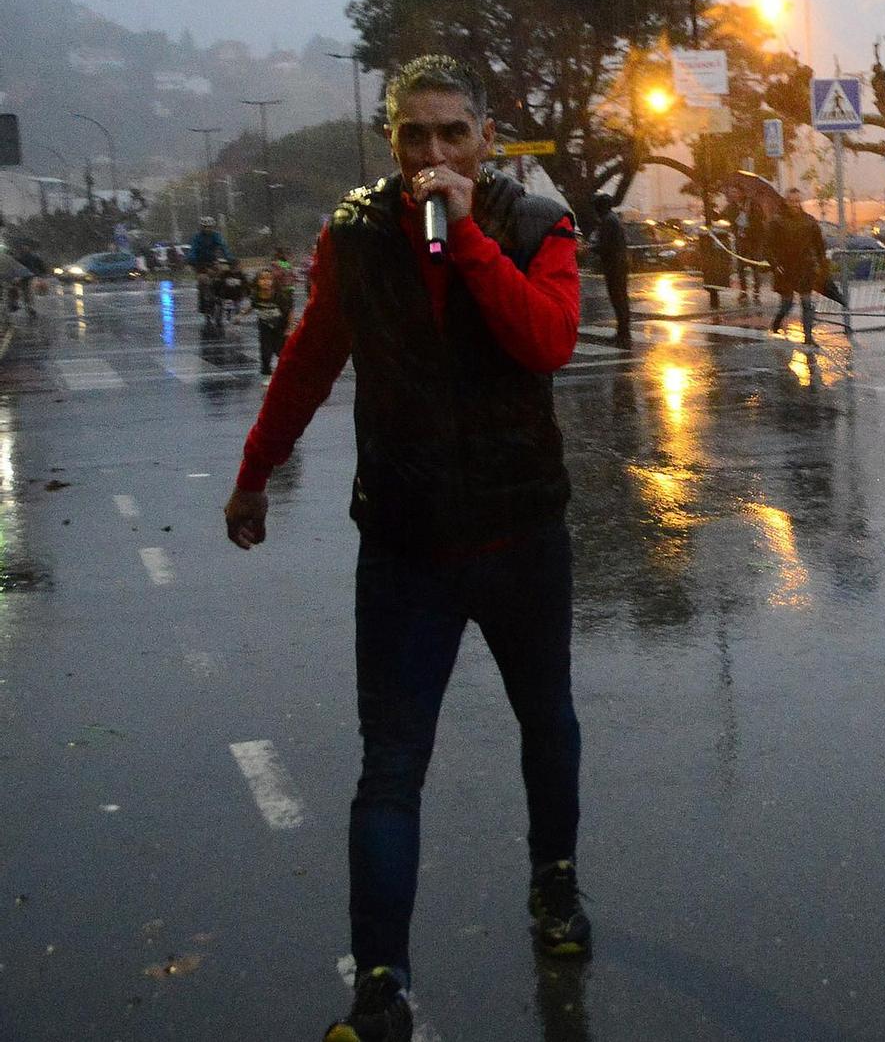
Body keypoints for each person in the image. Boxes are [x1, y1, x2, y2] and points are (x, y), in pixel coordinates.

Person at [221, 56, 588, 1042]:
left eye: (452, 132)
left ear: (485, 138)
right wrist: (256, 472)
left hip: (519, 531)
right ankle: (380, 985)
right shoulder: (355, 235)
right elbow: (308, 360)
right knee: (389, 764)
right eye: (413, 135)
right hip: (405, 542)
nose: (433, 153)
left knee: (546, 719)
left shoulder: (535, 225)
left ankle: (554, 881)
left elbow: (547, 340)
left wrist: (465, 235)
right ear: (389, 141)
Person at [768, 186, 827, 347]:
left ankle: (808, 336)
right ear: (786, 201)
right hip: (785, 268)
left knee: (807, 303)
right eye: (791, 201)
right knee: (787, 303)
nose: (794, 204)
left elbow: (819, 245)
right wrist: (775, 264)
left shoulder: (809, 221)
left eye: (797, 201)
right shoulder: (777, 221)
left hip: (804, 267)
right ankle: (777, 322)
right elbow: (768, 246)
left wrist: (821, 264)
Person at [590, 192, 632, 349]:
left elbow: (605, 245)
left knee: (618, 298)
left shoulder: (608, 221)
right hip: (618, 263)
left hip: (615, 265)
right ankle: (623, 331)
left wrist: (590, 248)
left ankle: (623, 333)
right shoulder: (612, 219)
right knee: (620, 298)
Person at [248, 263, 293, 377]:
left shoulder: (279, 296)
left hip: (280, 326)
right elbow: (252, 305)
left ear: (273, 282)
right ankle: (266, 370)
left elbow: (289, 312)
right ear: (257, 281)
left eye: (269, 279)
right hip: (265, 326)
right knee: (265, 350)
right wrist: (241, 315)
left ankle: (288, 369)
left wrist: (289, 327)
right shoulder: (255, 295)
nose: (266, 281)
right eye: (262, 279)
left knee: (280, 350)